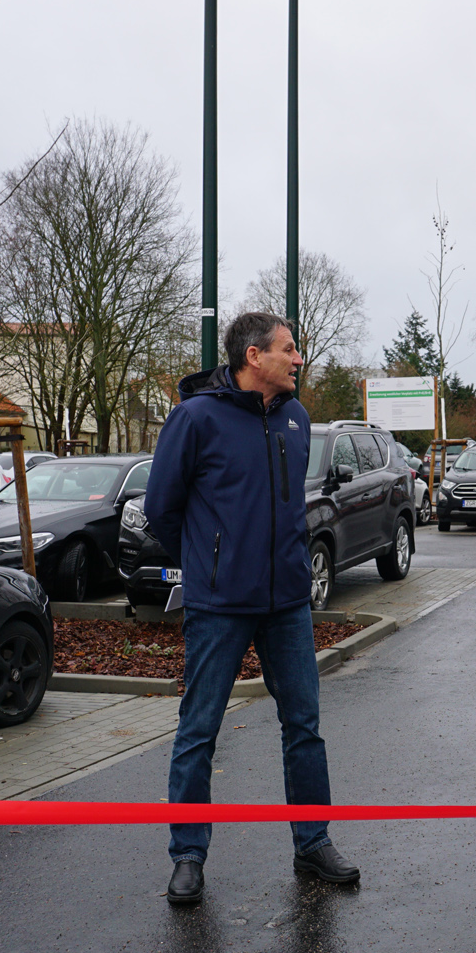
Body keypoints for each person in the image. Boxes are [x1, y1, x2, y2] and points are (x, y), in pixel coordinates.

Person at [145, 311, 361, 905]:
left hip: (288, 602)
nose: (298, 360)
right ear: (252, 358)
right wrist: (209, 562)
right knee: (198, 731)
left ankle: (313, 841)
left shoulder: (296, 418)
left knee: (304, 727)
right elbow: (162, 509)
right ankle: (188, 855)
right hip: (219, 604)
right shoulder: (194, 418)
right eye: (288, 350)